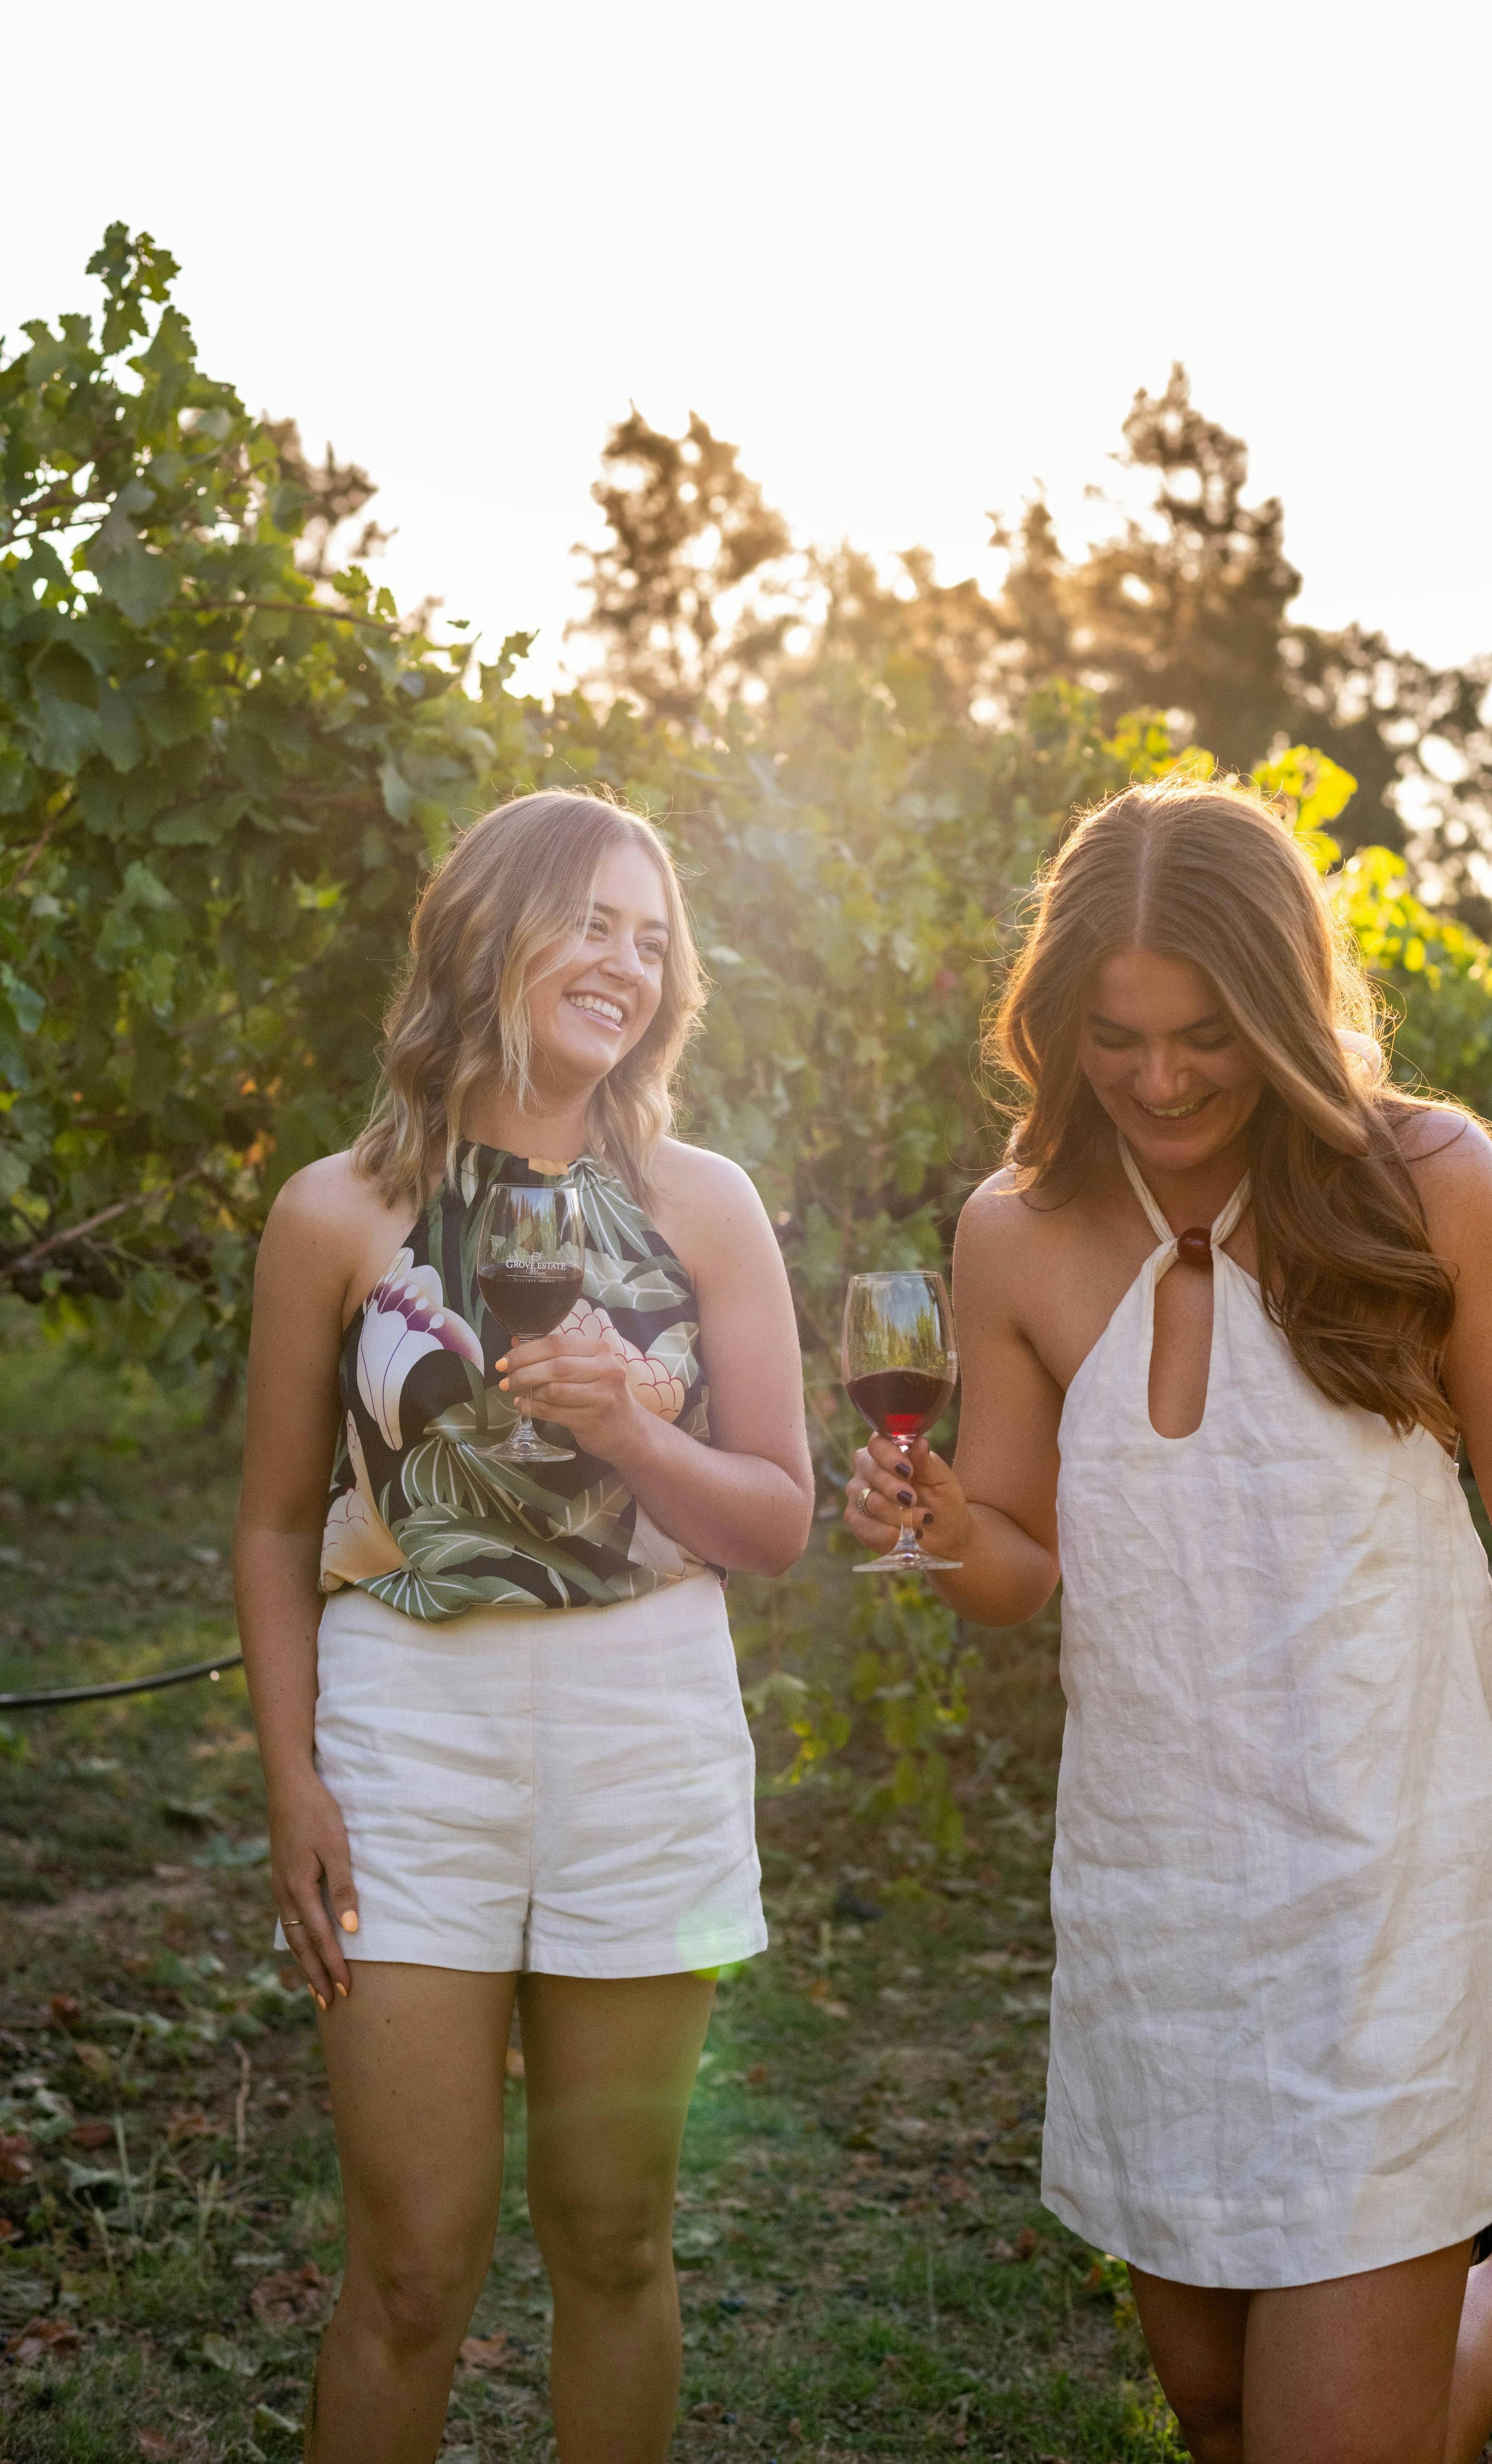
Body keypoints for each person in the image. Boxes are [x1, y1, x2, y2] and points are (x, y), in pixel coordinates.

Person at [844, 777, 1492, 2464]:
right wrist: (931, 1528)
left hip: (1390, 1894)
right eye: (1114, 1036)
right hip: (1162, 1900)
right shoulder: (1014, 1230)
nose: (1156, 1078)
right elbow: (1014, 1568)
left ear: (1279, 1004)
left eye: (1200, 1033)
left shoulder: (1427, 1182)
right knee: (1216, 2408)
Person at [235, 790, 812, 2464]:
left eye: (652, 939)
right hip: (408, 1743)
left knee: (616, 2242)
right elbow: (277, 1521)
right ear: (487, 932)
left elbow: (775, 1518)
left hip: (649, 1739)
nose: (625, 964)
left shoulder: (703, 1204)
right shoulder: (335, 1215)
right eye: (591, 923)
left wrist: (637, 1432)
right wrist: (293, 1783)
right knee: (412, 2272)